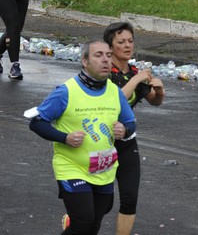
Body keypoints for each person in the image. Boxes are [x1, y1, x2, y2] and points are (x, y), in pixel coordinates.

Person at [29, 41, 136, 235]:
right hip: (72, 167)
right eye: (98, 55)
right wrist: (65, 137)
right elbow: (37, 122)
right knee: (83, 222)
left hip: (103, 168)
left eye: (108, 55)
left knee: (93, 224)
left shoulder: (115, 92)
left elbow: (130, 123)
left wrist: (125, 130)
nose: (105, 60)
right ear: (85, 61)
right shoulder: (66, 92)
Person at [103, 22, 165, 235]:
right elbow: (115, 100)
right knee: (104, 202)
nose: (128, 46)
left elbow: (154, 101)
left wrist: (160, 90)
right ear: (110, 47)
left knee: (130, 198)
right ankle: (77, 223)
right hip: (102, 142)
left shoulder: (134, 71)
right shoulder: (104, 72)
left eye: (130, 41)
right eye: (121, 42)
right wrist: (137, 78)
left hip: (127, 141)